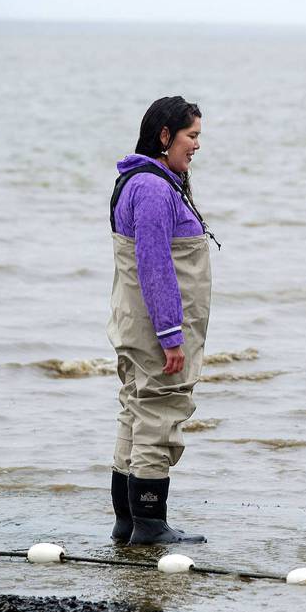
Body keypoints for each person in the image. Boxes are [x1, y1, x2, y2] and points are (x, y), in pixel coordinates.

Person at [107, 96, 217, 545]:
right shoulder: (152, 188)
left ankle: (127, 521)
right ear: (165, 135)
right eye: (191, 136)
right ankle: (150, 525)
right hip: (157, 330)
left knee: (135, 411)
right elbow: (155, 264)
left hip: (135, 323)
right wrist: (171, 335)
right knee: (158, 412)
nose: (196, 146)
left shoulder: (142, 180)